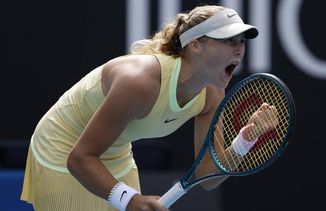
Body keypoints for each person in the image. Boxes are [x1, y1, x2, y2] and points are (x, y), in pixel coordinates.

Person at [21, 4, 277, 211]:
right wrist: (128, 199)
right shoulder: (140, 82)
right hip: (61, 150)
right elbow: (79, 159)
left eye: (242, 41)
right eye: (229, 40)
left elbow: (208, 176)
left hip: (115, 155)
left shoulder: (211, 94)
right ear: (195, 44)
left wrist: (246, 140)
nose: (240, 49)